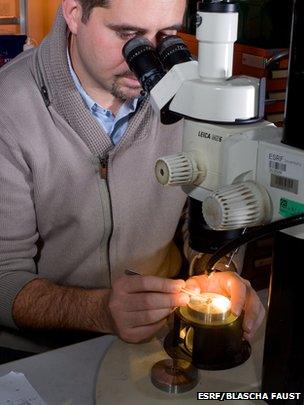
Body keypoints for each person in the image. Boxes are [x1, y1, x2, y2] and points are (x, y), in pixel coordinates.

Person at [0, 0, 264, 353]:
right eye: (129, 35)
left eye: (167, 35)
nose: (149, 60)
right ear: (75, 13)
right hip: (44, 351)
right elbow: (4, 279)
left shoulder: (193, 93)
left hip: (159, 331)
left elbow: (203, 208)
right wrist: (98, 311)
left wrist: (219, 269)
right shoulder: (10, 108)